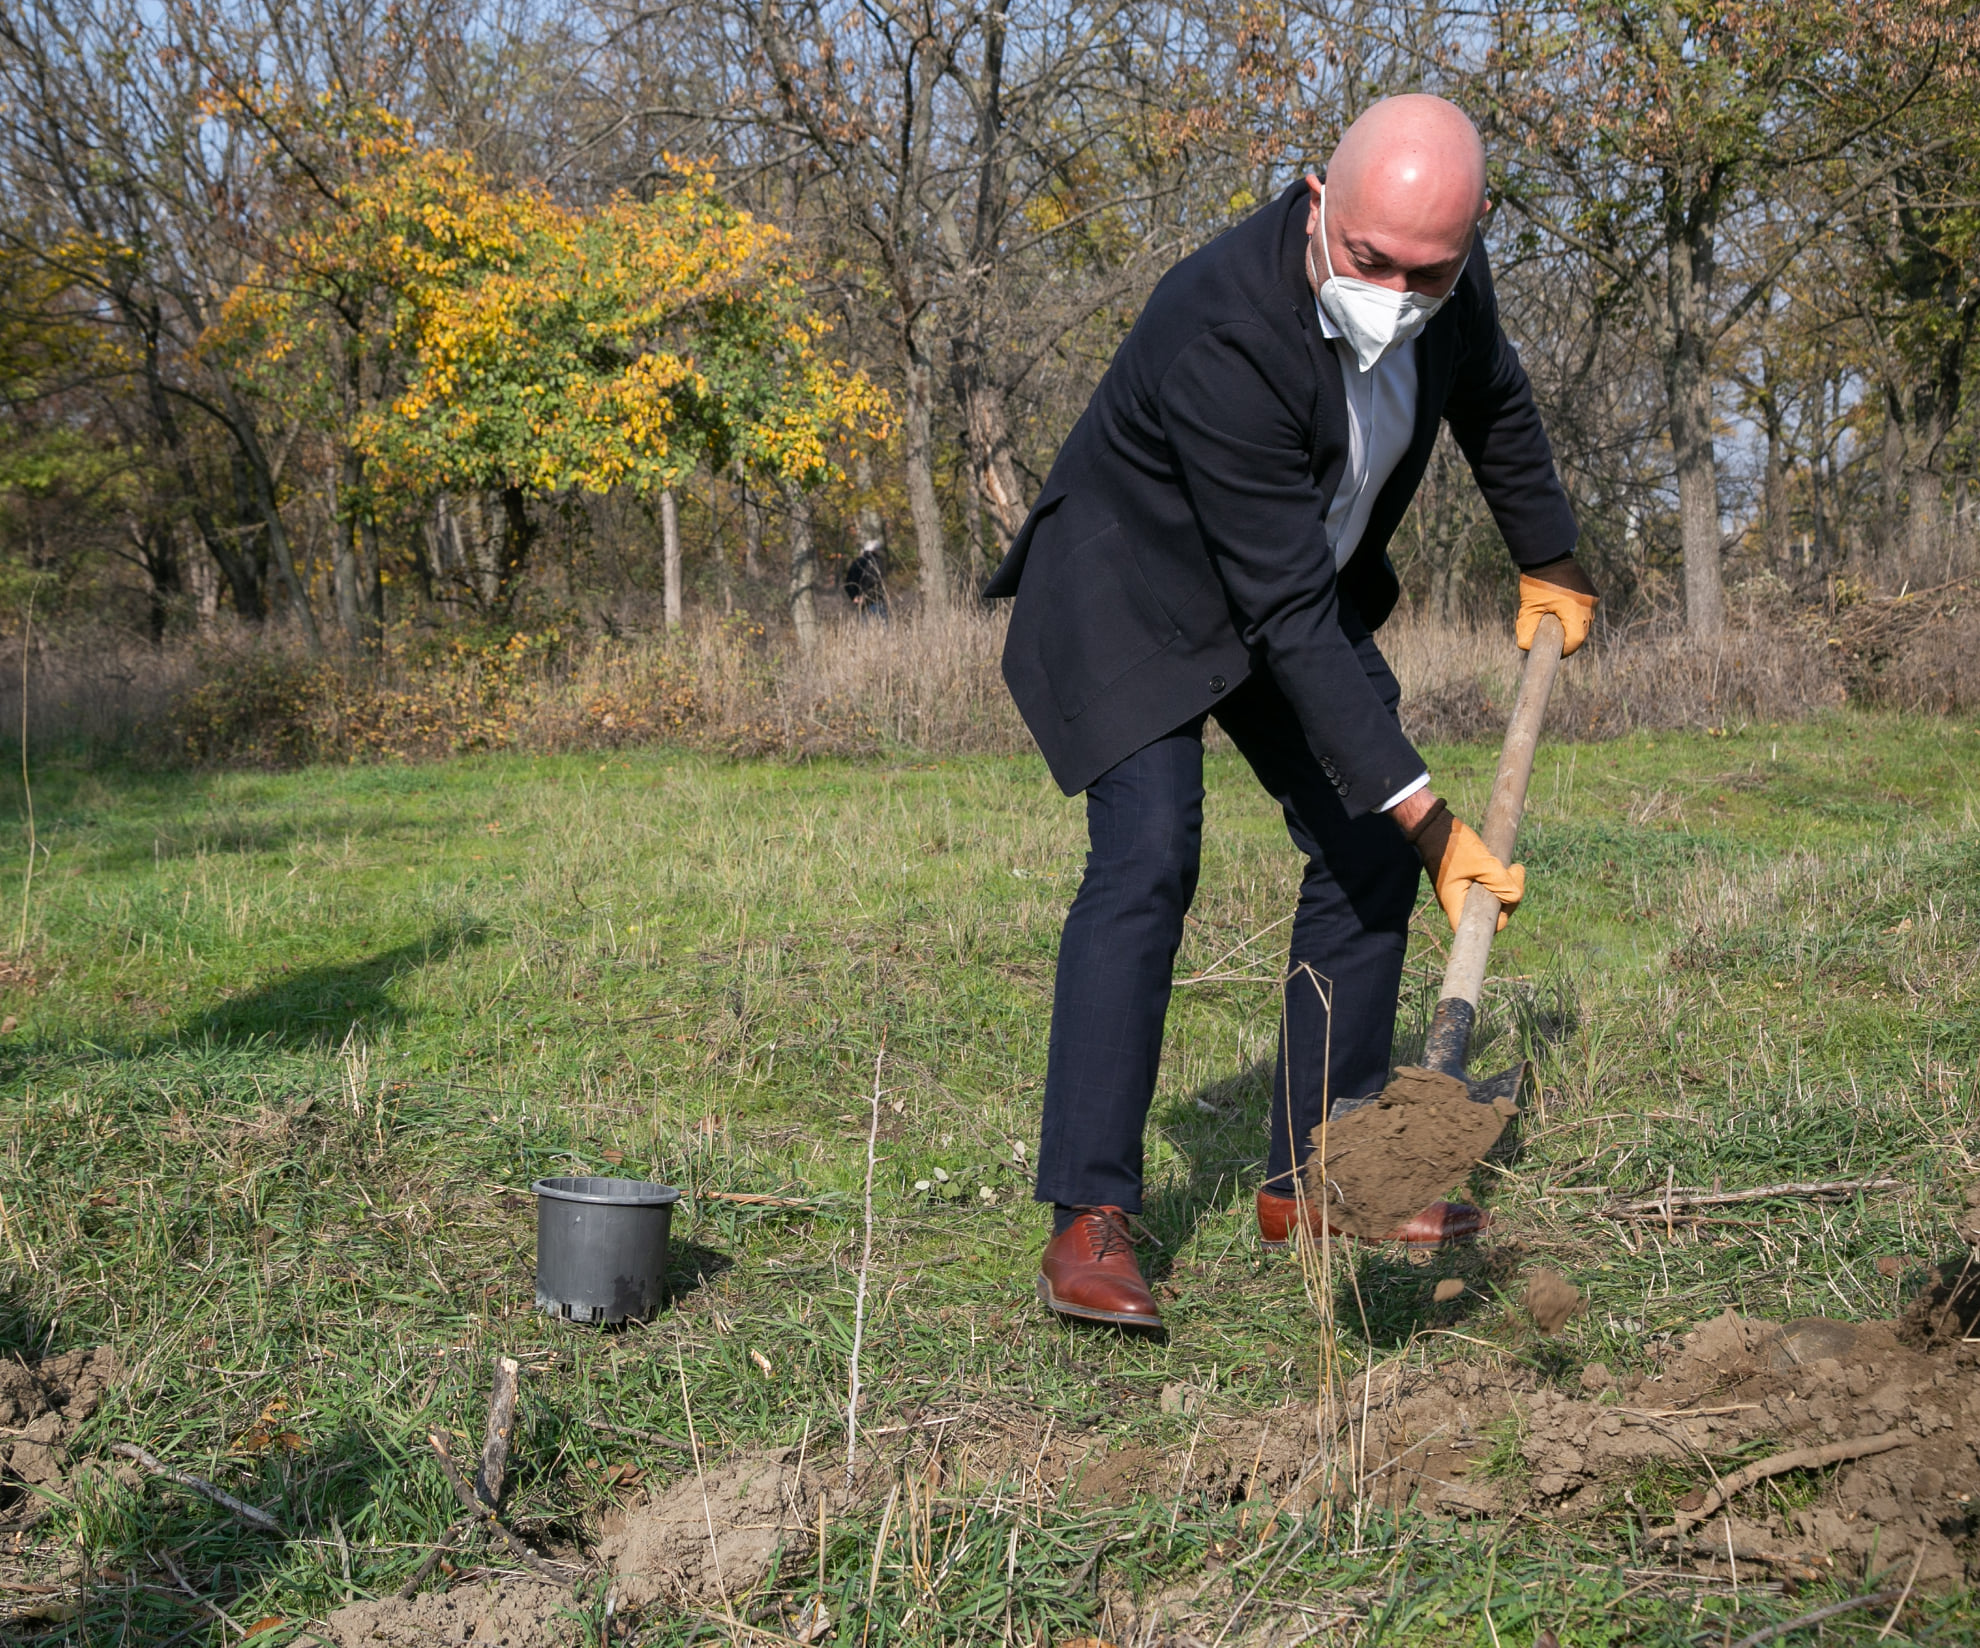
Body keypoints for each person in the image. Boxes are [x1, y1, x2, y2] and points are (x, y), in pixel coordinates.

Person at [983, 94, 1599, 1328]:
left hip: (1286, 583)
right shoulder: (1225, 329)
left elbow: (1494, 403)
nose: (1398, 293)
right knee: (1149, 855)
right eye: (1372, 261)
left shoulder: (1447, 279)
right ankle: (1090, 1217)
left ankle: (1321, 1176)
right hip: (1134, 594)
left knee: (1362, 844)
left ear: (1468, 240)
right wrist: (1435, 824)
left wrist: (1552, 558)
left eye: (1428, 273)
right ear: (1319, 201)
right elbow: (1289, 619)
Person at [844, 539, 890, 622]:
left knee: (865, 625)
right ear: (875, 550)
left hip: (864, 603)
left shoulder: (857, 562)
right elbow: (877, 583)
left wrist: (854, 596)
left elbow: (848, 583)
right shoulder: (878, 562)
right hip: (875, 601)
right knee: (883, 625)